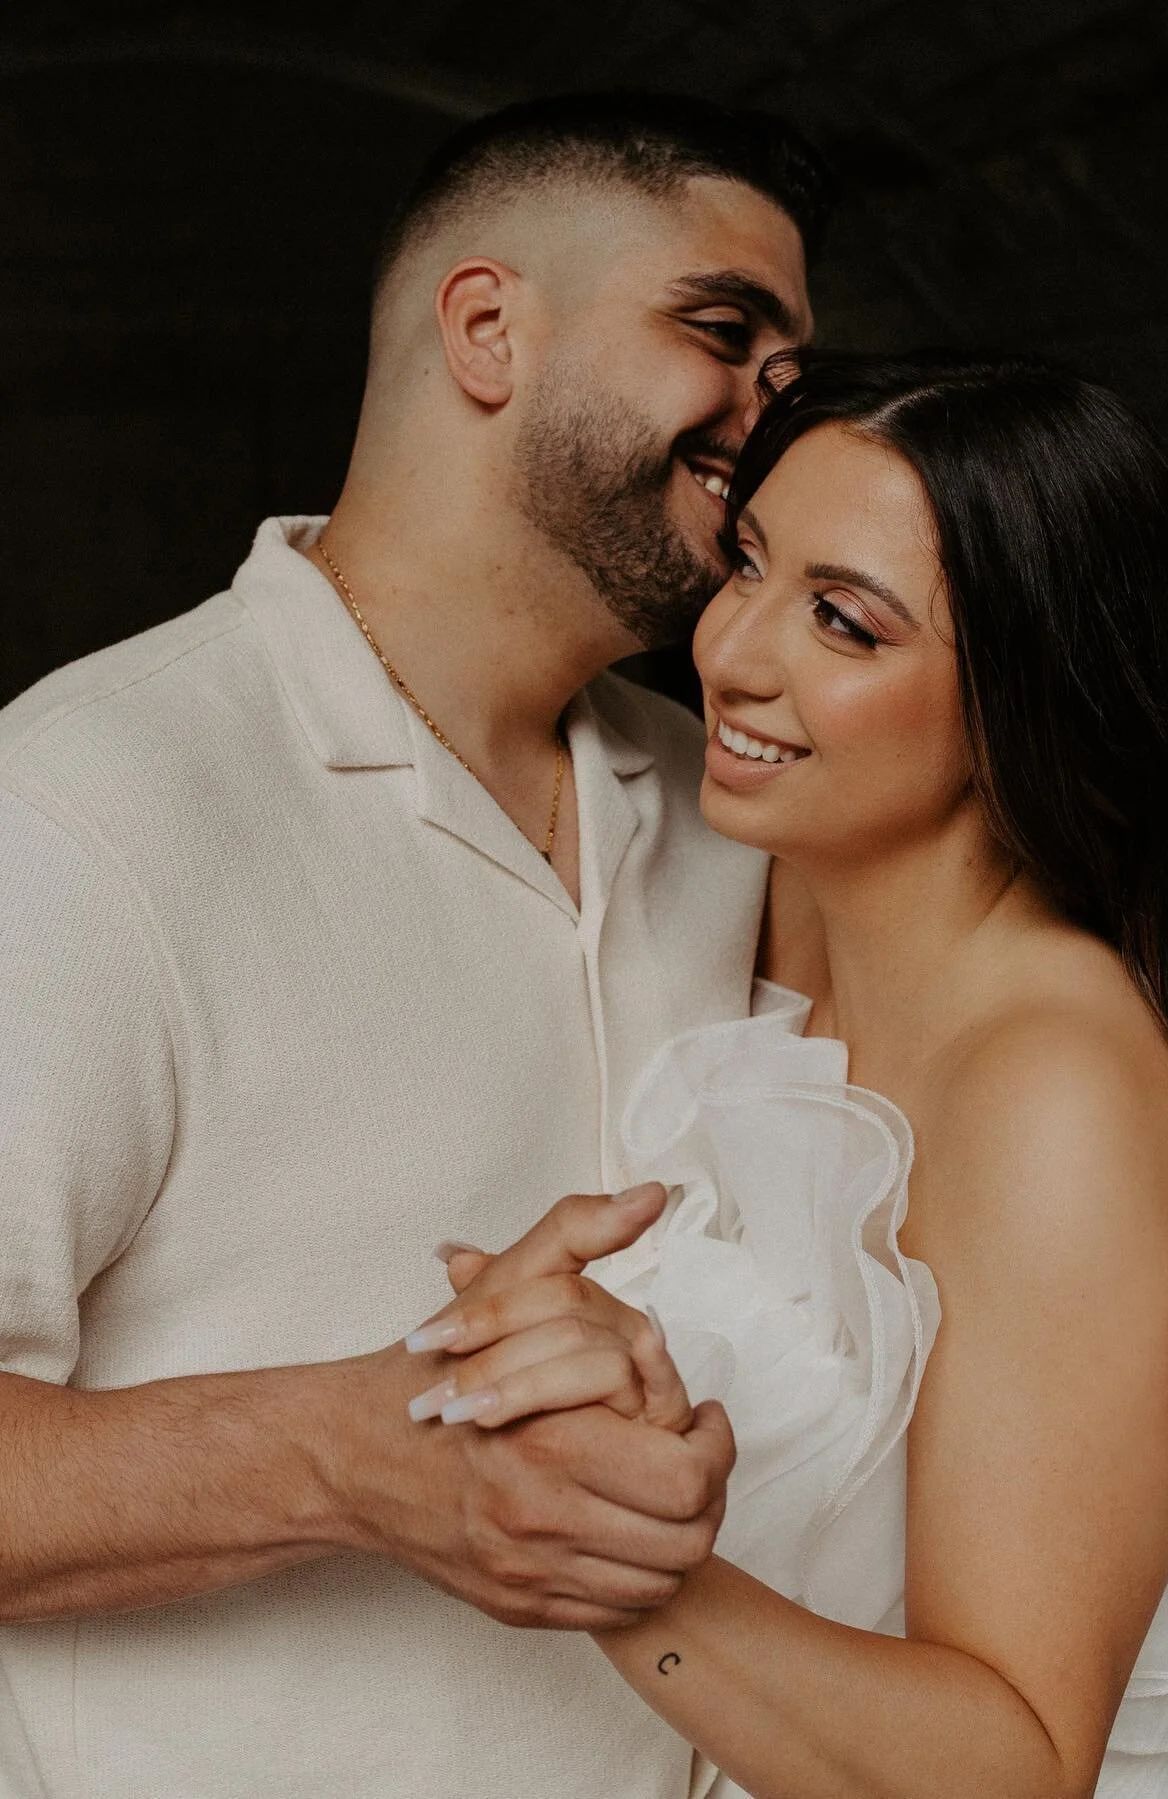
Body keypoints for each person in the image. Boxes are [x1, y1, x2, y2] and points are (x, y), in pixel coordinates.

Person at [412, 352, 1168, 1799]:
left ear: (1034, 690)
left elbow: (1015, 1761)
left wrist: (601, 1550)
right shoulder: (789, 903)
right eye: (750, 563)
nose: (733, 653)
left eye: (845, 621)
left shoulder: (1057, 1100)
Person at [0, 95, 827, 1798]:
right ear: (487, 329)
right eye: (723, 334)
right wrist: (356, 1457)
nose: (773, 420)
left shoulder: (734, 810)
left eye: (791, 378)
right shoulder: (81, 805)